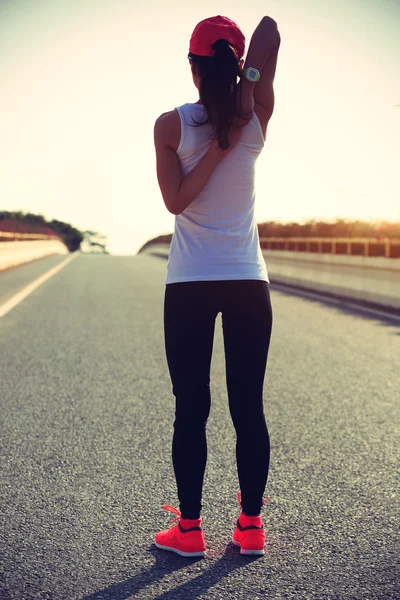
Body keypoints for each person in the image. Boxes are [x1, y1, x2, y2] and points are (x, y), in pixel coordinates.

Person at [153, 15, 281, 557]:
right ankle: (249, 526)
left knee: (192, 406)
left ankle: (189, 531)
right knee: (247, 406)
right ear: (235, 65)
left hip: (190, 284)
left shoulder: (171, 124)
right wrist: (246, 95)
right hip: (248, 282)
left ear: (193, 68)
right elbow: (271, 28)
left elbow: (175, 201)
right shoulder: (255, 123)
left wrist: (236, 103)